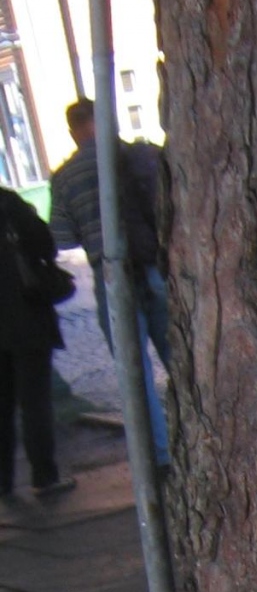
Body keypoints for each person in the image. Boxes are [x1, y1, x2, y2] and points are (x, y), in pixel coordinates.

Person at [49, 98, 170, 466]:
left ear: (73, 131)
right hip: (157, 268)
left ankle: (162, 455)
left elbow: (63, 238)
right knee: (185, 360)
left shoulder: (66, 177)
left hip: (112, 279)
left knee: (137, 377)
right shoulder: (143, 155)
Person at [0, 187, 75, 502]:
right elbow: (45, 244)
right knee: (34, 402)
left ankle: (3, 482)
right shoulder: (8, 204)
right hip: (25, 317)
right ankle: (44, 476)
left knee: (1, 408)